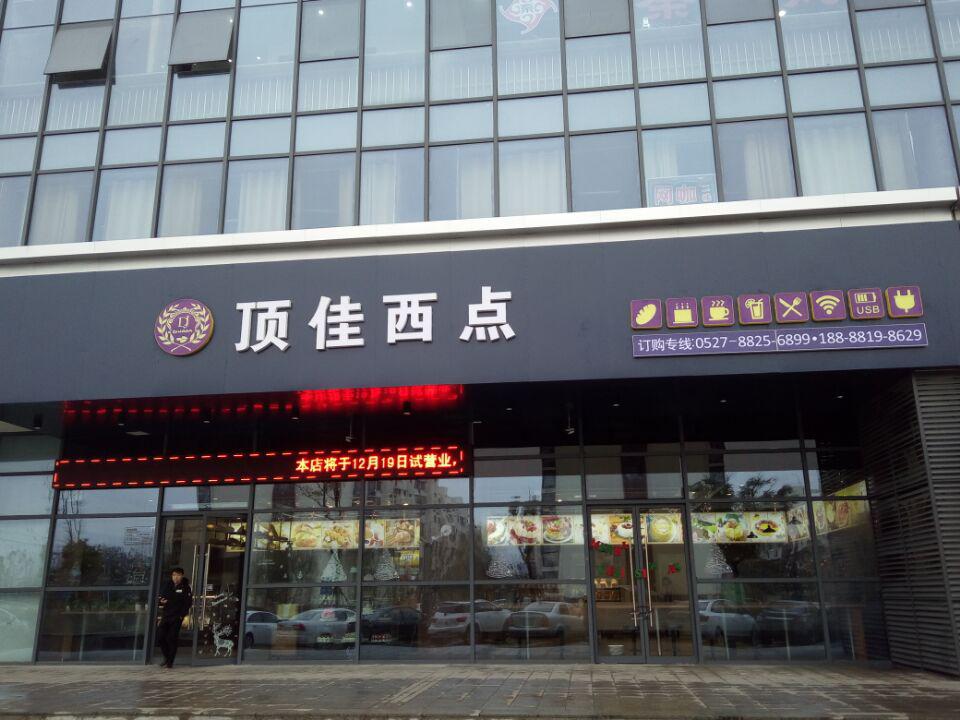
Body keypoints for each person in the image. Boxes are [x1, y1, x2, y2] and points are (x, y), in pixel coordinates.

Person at [156, 567, 193, 668]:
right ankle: (167, 657)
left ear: (182, 576)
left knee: (172, 638)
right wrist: (161, 602)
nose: (175, 577)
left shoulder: (186, 587)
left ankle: (170, 662)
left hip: (177, 617)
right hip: (166, 615)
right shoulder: (168, 585)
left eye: (178, 575)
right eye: (174, 575)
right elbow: (161, 597)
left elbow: (188, 603)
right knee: (160, 637)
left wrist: (181, 615)